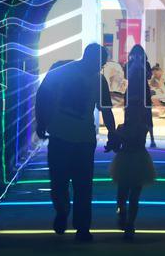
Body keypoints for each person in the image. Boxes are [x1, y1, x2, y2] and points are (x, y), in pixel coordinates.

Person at [35, 43, 116, 242]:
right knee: (75, 184)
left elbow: (106, 109)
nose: (99, 68)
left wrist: (113, 134)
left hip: (76, 138)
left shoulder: (90, 78)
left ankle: (80, 226)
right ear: (89, 58)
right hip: (69, 136)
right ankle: (66, 214)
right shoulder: (63, 71)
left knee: (72, 183)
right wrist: (41, 121)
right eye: (100, 63)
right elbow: (43, 96)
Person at [105, 44, 156, 239]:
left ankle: (123, 214)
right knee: (134, 193)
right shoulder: (140, 126)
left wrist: (114, 140)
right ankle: (129, 223)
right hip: (139, 158)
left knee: (123, 191)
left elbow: (118, 140)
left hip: (126, 159)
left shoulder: (124, 127)